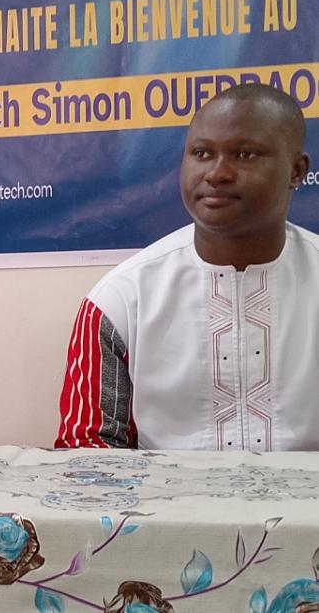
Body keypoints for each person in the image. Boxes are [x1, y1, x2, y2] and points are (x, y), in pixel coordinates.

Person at [57, 83, 316, 451]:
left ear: (296, 171)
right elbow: (86, 450)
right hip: (160, 491)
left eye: (244, 154)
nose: (217, 173)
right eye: (202, 153)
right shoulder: (121, 300)